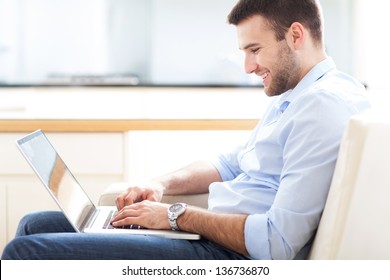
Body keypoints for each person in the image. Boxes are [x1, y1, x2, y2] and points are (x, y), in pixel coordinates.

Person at [2, 0, 370, 260]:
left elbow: (275, 243)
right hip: (209, 235)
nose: (247, 66)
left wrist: (174, 215)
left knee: (25, 252)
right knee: (35, 224)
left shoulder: (322, 107)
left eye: (254, 49)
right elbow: (230, 164)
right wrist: (161, 186)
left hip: (227, 256)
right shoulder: (295, 94)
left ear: (295, 35)